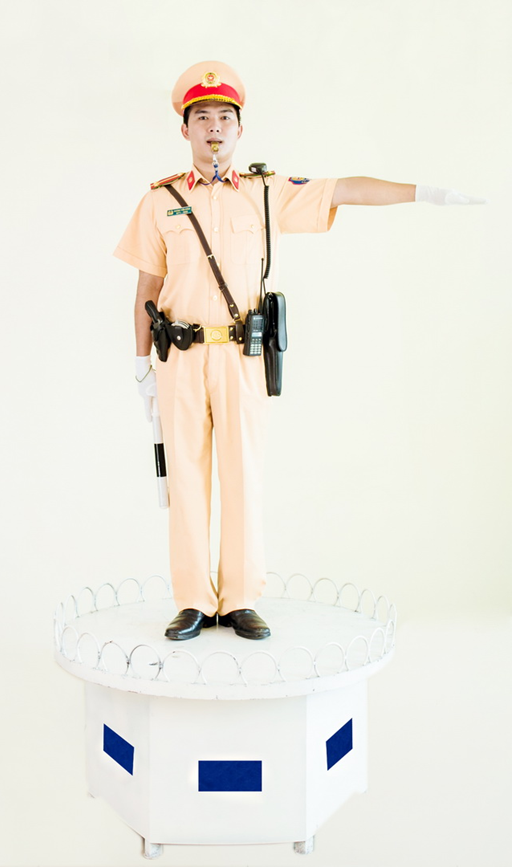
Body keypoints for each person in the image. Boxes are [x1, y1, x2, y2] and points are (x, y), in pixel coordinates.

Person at [113, 60, 484, 641]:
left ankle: (239, 598)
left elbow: (345, 189)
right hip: (179, 358)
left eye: (225, 118)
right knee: (184, 479)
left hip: (243, 357)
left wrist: (425, 193)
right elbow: (146, 288)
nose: (214, 128)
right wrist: (141, 365)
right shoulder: (160, 201)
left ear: (240, 129)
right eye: (202, 117)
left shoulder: (268, 193)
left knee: (243, 476)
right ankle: (193, 601)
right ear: (184, 129)